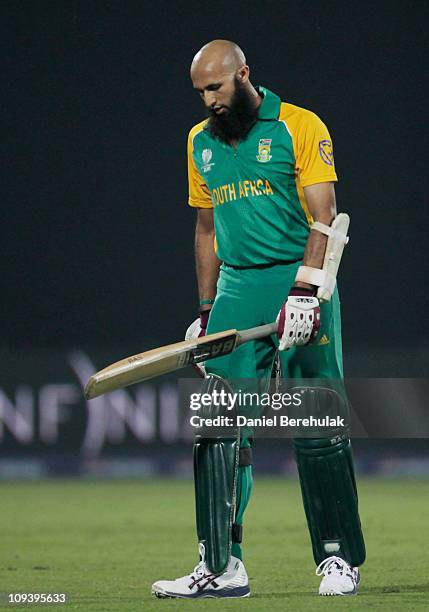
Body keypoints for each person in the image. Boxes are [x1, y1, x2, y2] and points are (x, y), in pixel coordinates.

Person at [152, 39, 365, 599]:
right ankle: (222, 565)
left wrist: (306, 290)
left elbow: (325, 216)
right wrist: (204, 311)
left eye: (216, 88)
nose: (209, 102)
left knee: (317, 420)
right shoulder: (200, 142)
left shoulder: (298, 125)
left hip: (299, 281)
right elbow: (205, 229)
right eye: (201, 93)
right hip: (237, 289)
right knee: (219, 426)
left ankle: (337, 557)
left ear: (243, 74)